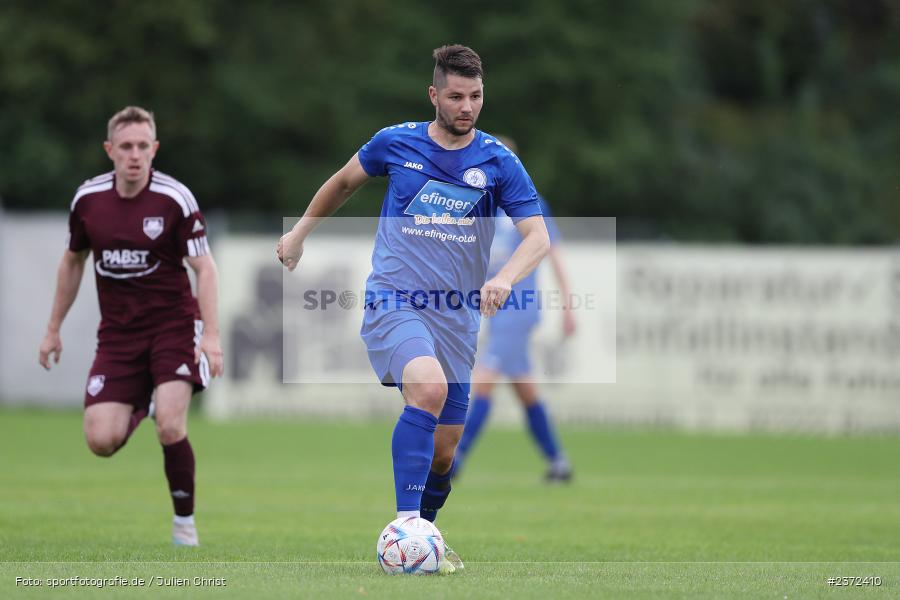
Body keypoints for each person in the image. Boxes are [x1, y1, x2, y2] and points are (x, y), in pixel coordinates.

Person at [277, 45, 550, 572]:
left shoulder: (498, 161)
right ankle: (405, 528)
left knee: (445, 453)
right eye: (455, 96)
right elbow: (342, 183)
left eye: (475, 96)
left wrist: (505, 276)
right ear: (434, 95)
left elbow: (537, 236)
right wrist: (300, 231)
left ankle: (424, 533)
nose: (467, 106)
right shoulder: (394, 143)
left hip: (458, 317)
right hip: (394, 300)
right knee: (427, 387)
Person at [38, 106, 224, 547]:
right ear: (110, 151)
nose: (135, 155)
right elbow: (72, 261)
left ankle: (184, 526)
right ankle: (146, 400)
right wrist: (52, 329)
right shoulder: (88, 200)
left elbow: (206, 268)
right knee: (100, 440)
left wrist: (211, 337)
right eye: (126, 146)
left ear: (154, 149)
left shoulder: (175, 198)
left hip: (174, 327)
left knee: (172, 426)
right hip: (118, 336)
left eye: (143, 146)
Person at [455, 137, 575, 481]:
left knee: (484, 380)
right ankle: (558, 461)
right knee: (524, 386)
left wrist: (568, 306)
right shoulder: (479, 205)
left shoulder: (528, 204)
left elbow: (553, 254)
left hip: (518, 308)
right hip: (495, 309)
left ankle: (456, 458)